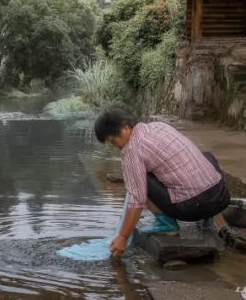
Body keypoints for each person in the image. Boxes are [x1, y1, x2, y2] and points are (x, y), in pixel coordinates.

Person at [93, 107, 233, 259]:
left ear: (125, 128)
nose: (116, 147)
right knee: (206, 156)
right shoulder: (159, 126)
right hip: (221, 197)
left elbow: (137, 199)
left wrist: (122, 237)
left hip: (192, 209)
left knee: (141, 180)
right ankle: (209, 219)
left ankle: (167, 224)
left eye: (113, 141)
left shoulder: (132, 151)